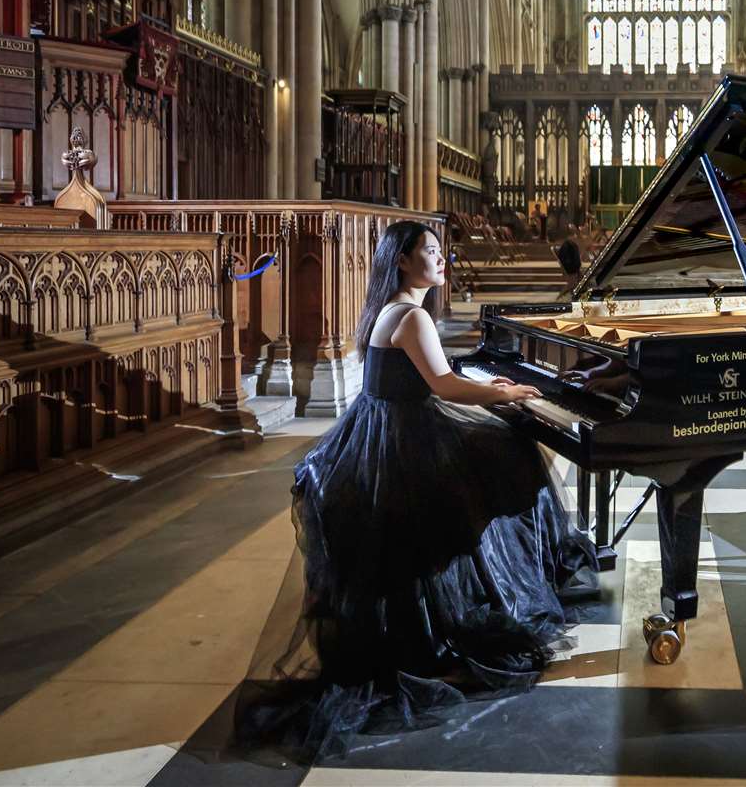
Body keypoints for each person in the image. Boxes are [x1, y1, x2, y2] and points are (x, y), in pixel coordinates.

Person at [234, 220, 598, 762]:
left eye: (440, 250)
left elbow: (440, 375)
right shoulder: (413, 316)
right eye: (430, 251)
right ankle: (508, 587)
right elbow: (445, 385)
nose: (441, 258)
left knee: (492, 460)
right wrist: (508, 394)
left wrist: (489, 386)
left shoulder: (392, 310)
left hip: (381, 432)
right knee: (513, 454)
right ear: (403, 261)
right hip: (406, 440)